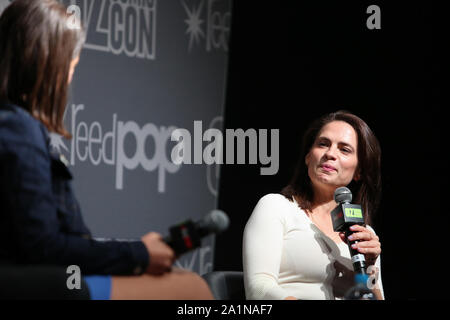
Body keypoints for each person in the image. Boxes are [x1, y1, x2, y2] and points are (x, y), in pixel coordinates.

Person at [0, 0, 212, 300]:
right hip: (47, 285)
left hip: (50, 279)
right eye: (71, 67)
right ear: (49, 63)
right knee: (192, 288)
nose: (70, 79)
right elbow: (44, 247)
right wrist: (137, 253)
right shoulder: (18, 129)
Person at [243, 111, 384, 300]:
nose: (330, 154)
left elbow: (373, 295)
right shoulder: (276, 207)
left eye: (344, 149)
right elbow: (258, 289)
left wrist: (370, 267)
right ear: (308, 156)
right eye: (323, 144)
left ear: (359, 171)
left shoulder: (364, 234)